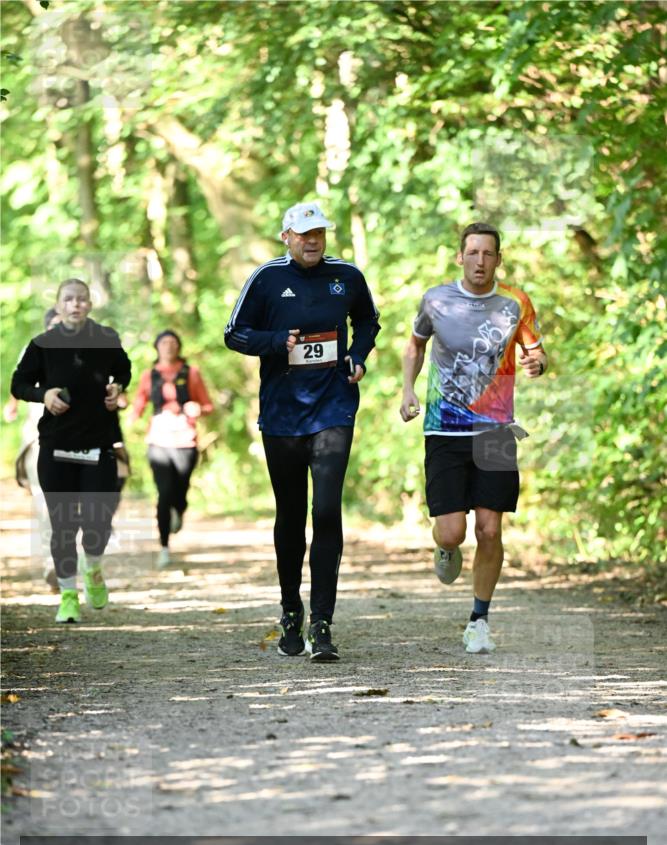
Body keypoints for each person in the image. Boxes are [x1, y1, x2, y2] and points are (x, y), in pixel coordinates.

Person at [225, 201, 380, 661]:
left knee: (327, 510)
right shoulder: (267, 279)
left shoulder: (347, 276)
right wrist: (277, 342)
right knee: (291, 516)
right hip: (283, 415)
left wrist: (358, 354)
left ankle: (323, 622)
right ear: (286, 236)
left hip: (333, 408)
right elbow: (234, 333)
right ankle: (291, 609)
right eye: (304, 233)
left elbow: (368, 321)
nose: (313, 241)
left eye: (320, 233)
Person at [400, 222, 547, 654]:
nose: (480, 261)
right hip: (444, 427)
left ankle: (479, 620)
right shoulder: (436, 299)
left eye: (488, 254)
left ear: (498, 260)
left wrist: (538, 363)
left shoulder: (515, 303)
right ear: (459, 257)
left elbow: (535, 350)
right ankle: (444, 550)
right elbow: (415, 345)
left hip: (496, 429)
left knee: (489, 528)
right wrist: (408, 389)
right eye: (473, 252)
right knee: (451, 532)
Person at [11, 278, 131, 623]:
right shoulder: (42, 344)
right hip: (56, 447)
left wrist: (117, 386)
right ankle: (67, 596)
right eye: (69, 299)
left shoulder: (105, 338)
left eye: (81, 299)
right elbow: (18, 384)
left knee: (97, 521)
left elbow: (123, 368)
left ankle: (92, 566)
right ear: (59, 305)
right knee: (63, 526)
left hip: (97, 445)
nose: (75, 304)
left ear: (90, 304)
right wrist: (43, 395)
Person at [129, 330, 213, 568]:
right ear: (157, 347)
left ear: (178, 347)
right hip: (158, 442)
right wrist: (131, 417)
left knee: (180, 492)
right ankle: (164, 547)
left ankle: (179, 510)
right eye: (164, 342)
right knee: (164, 493)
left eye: (172, 342)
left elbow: (207, 405)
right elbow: (139, 402)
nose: (168, 346)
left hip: (186, 441)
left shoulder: (191, 373)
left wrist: (199, 408)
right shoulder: (149, 375)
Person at [4, 307, 61, 591]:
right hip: (40, 439)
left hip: (82, 438)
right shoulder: (34, 350)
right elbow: (19, 384)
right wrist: (12, 404)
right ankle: (54, 564)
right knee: (45, 504)